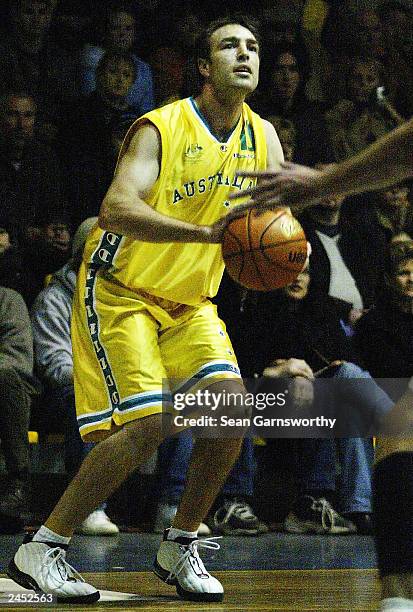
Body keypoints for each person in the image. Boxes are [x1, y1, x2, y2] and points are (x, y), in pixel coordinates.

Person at [8, 15, 284, 603]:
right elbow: (115, 209)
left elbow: (271, 225)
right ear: (203, 68)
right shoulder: (160, 127)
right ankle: (43, 546)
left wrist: (280, 248)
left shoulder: (266, 138)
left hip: (191, 303)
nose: (246, 54)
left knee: (230, 413)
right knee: (152, 422)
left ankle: (180, 543)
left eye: (254, 46)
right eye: (229, 45)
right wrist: (208, 235)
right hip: (120, 289)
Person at [230, 117, 413, 611]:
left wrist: (323, 181)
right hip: (258, 399)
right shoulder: (252, 307)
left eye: (309, 269)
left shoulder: (321, 309)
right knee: (402, 419)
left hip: (309, 400)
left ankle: (395, 594)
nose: (302, 275)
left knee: (391, 414)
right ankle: (240, 501)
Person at [31, 217, 119, 536]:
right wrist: (106, 379)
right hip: (67, 393)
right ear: (84, 253)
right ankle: (89, 508)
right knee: (88, 398)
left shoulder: (124, 299)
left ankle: (172, 506)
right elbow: (56, 367)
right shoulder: (54, 299)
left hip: (121, 389)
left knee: (178, 398)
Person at [0, 284, 39, 532]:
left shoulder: (7, 300)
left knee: (4, 377)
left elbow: (16, 359)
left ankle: (18, 483)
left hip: (6, 387)